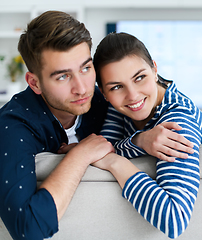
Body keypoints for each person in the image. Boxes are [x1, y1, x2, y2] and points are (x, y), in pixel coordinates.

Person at [0, 11, 191, 240]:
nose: (82, 88)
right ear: (35, 83)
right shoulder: (13, 126)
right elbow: (27, 230)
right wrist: (82, 154)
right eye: (62, 76)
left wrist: (139, 140)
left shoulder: (107, 101)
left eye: (86, 68)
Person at [92, 32, 202, 238]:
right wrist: (140, 140)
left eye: (140, 77)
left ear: (154, 69)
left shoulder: (178, 121)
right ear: (104, 93)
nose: (132, 96)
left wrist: (115, 163)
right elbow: (105, 146)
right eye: (117, 87)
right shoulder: (118, 107)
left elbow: (174, 219)